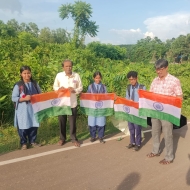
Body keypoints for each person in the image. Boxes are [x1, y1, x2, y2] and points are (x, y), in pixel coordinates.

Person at [147, 59, 183, 165]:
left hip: (167, 113)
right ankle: (155, 151)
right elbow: (150, 95)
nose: (158, 71)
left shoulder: (174, 80)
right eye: (157, 69)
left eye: (161, 69)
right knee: (155, 132)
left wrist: (171, 104)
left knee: (167, 134)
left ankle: (169, 157)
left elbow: (180, 97)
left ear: (167, 67)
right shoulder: (155, 80)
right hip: (155, 111)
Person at [53, 59, 83, 147]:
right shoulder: (59, 76)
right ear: (63, 67)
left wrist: (74, 90)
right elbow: (55, 86)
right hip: (62, 103)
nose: (68, 68)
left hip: (72, 103)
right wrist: (59, 89)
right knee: (62, 121)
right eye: (66, 66)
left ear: (72, 67)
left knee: (72, 122)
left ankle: (73, 139)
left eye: (70, 66)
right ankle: (62, 138)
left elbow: (80, 87)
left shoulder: (76, 76)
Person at [12, 66, 41, 150]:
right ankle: (23, 143)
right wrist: (24, 99)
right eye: (24, 73)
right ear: (21, 74)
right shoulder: (18, 85)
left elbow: (40, 94)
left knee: (33, 124)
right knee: (23, 126)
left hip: (33, 109)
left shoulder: (35, 84)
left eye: (28, 73)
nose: (26, 75)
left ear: (31, 74)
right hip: (22, 110)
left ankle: (33, 141)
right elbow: (13, 98)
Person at [126, 71, 146, 151]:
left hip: (138, 111)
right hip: (130, 111)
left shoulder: (142, 87)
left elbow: (144, 99)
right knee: (131, 127)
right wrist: (129, 101)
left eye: (133, 79)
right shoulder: (128, 88)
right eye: (130, 79)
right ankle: (132, 142)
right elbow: (127, 98)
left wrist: (138, 103)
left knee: (137, 127)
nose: (132, 81)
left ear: (136, 78)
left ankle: (138, 143)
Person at [87, 71, 107, 144]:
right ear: (93, 78)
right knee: (92, 122)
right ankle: (93, 136)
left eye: (99, 78)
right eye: (96, 78)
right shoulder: (90, 86)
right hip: (92, 108)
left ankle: (101, 137)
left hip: (101, 107)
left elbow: (106, 97)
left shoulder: (104, 86)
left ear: (101, 78)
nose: (98, 80)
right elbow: (87, 96)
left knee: (101, 122)